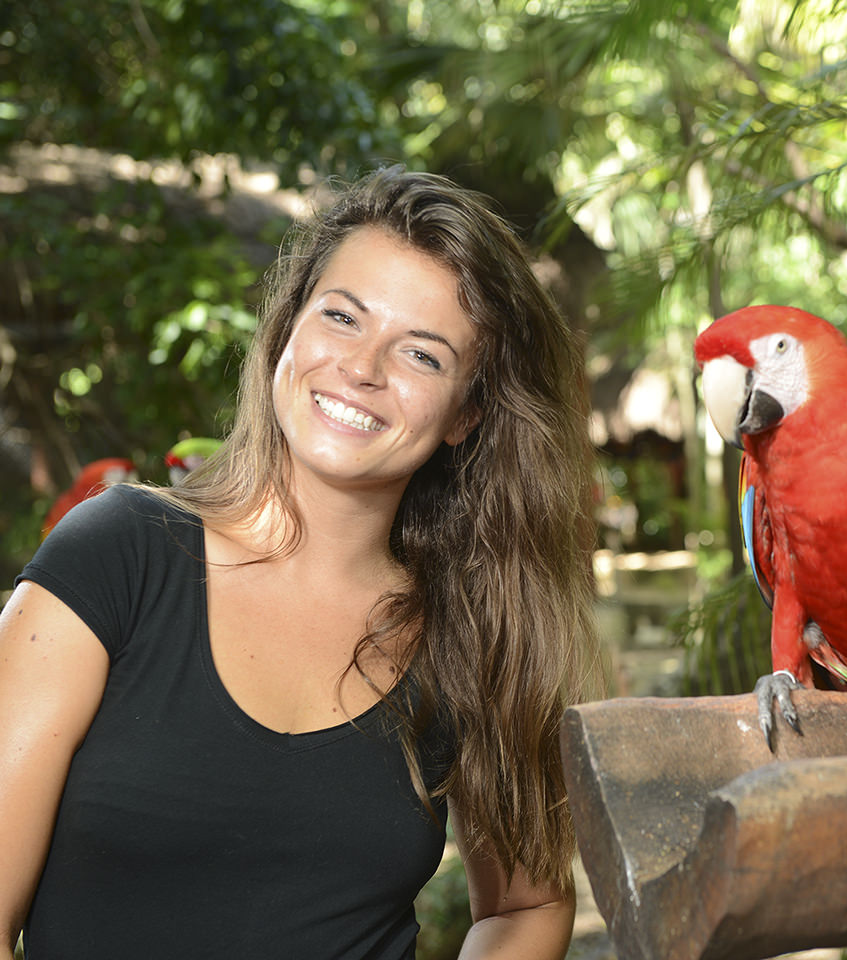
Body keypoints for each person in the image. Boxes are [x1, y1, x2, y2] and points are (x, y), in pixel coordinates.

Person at [0, 166, 605, 959]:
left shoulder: (470, 633)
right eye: (342, 317)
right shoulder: (117, 554)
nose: (363, 367)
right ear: (289, 326)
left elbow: (530, 905)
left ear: (467, 413)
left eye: (422, 355)